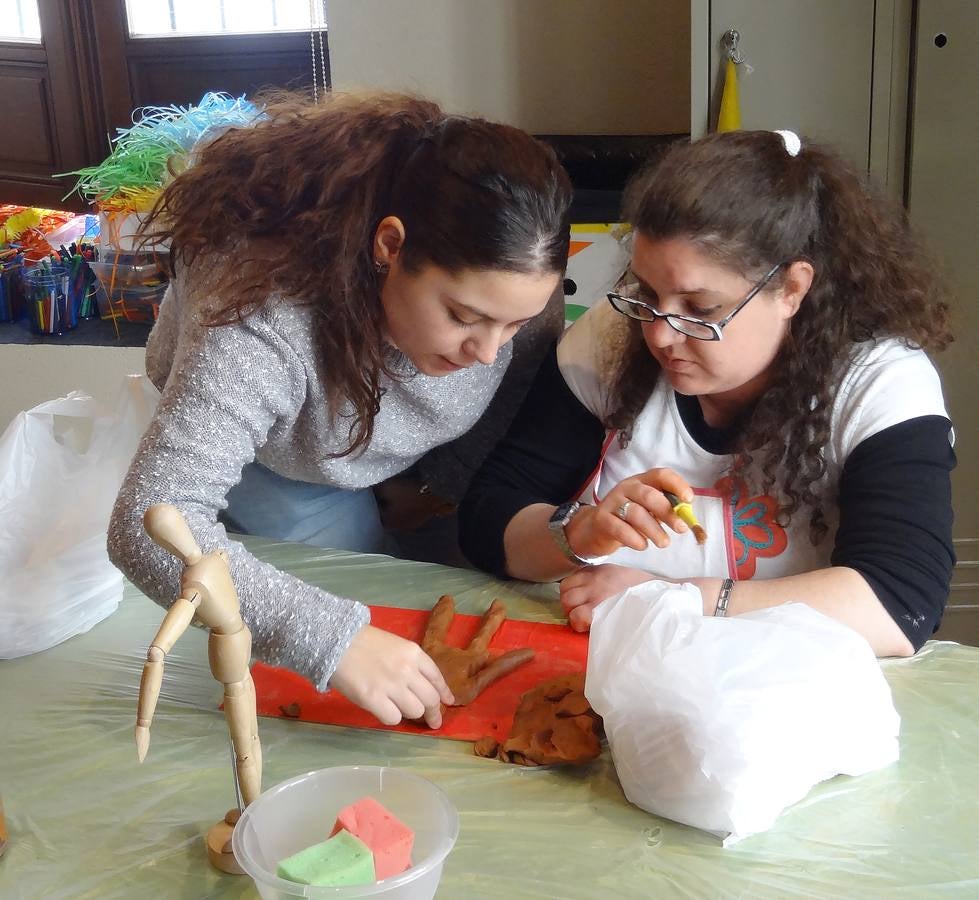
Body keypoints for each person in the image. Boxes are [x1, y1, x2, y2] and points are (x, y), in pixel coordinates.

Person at [108, 91, 573, 728]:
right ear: (391, 245)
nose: (489, 352)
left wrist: (439, 486)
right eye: (465, 317)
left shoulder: (517, 290)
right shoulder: (259, 316)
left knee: (453, 604)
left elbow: (508, 392)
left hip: (416, 459)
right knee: (342, 610)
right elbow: (146, 526)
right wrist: (334, 640)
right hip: (289, 457)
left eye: (512, 326)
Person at [459, 129, 955, 657]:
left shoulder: (879, 382)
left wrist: (675, 602)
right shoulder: (613, 338)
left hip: (789, 685)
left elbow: (899, 604)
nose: (660, 334)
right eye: (648, 293)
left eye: (701, 309)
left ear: (792, 289)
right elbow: (489, 521)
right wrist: (577, 535)